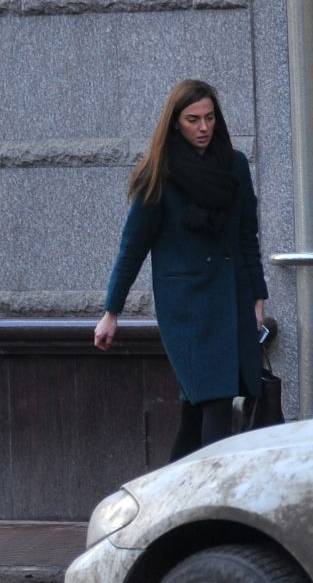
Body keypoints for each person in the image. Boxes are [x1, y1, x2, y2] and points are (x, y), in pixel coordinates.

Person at [95, 79, 267, 460]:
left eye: (209, 118)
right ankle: (210, 501)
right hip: (187, 307)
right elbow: (133, 246)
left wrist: (258, 296)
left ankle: (169, 502)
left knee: (197, 410)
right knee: (216, 401)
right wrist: (112, 312)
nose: (203, 127)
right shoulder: (158, 172)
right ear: (176, 122)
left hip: (231, 298)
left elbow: (246, 236)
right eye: (193, 119)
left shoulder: (234, 165)